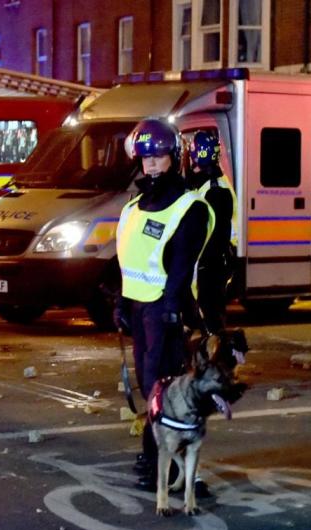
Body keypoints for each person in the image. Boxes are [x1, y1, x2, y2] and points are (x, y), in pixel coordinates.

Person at [113, 118, 215, 492]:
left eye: (158, 157)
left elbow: (183, 263)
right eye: (146, 158)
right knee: (150, 387)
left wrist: (173, 309)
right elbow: (127, 258)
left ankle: (171, 468)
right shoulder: (134, 206)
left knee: (166, 390)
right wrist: (122, 302)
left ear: (174, 157)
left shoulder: (189, 206)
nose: (152, 165)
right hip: (141, 311)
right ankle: (154, 455)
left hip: (166, 312)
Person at [186, 130, 237, 335]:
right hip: (211, 263)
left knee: (212, 319)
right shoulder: (209, 183)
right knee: (206, 316)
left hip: (212, 264)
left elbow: (216, 234)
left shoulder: (215, 190)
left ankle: (218, 360)